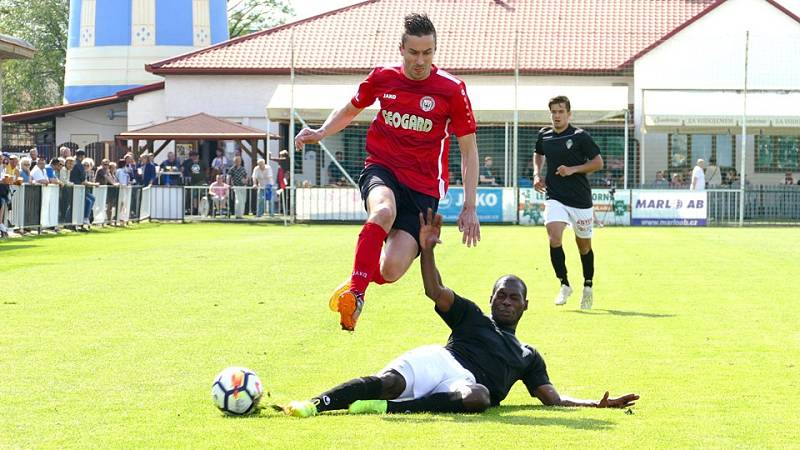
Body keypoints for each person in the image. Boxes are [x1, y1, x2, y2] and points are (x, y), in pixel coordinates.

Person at [282, 210, 638, 418]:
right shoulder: (472, 317)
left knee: (479, 398)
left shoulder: (528, 355)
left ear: (525, 305)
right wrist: (427, 250)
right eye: (501, 295)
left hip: (463, 386)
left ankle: (388, 409)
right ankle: (315, 404)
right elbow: (434, 290)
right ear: (491, 298)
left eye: (514, 298)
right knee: (389, 382)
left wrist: (597, 404)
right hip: (441, 362)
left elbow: (554, 400)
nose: (506, 302)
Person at [294, 13, 481, 331]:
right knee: (382, 210)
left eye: (427, 53)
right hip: (383, 169)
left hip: (424, 188)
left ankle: (359, 274)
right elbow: (352, 108)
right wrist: (321, 132)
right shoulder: (382, 77)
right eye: (414, 52)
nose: (420, 61)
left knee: (391, 270)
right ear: (401, 49)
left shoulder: (452, 90)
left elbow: (469, 149)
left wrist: (470, 205)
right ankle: (356, 296)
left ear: (434, 52)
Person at [533, 96, 604, 310]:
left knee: (584, 247)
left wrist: (572, 169)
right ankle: (564, 284)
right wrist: (537, 174)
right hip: (555, 196)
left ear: (569, 114)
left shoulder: (580, 136)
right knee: (554, 237)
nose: (556, 116)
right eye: (553, 112)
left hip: (580, 200)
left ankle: (588, 286)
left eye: (560, 111)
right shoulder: (544, 135)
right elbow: (538, 153)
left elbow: (598, 162)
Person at [70, 150, 98, 226]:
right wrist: (94, 184)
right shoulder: (79, 165)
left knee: (91, 198)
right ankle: (85, 218)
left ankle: (86, 217)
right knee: (88, 201)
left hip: (76, 187)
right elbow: (83, 181)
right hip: (78, 188)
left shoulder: (75, 163)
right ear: (82, 156)